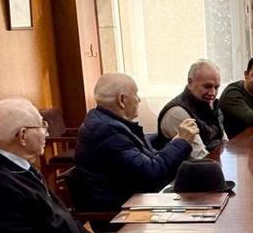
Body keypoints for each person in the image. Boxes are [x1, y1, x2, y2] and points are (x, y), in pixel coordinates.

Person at [0, 98, 103, 233]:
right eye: (42, 126)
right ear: (22, 135)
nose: (46, 134)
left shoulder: (21, 166)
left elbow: (59, 213)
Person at [72, 73, 198, 212]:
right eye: (136, 94)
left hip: (133, 199)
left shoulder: (105, 121)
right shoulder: (107, 131)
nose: (139, 99)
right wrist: (181, 142)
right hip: (121, 211)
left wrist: (171, 138)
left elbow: (142, 151)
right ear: (122, 99)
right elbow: (153, 174)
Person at [153, 59, 227, 158]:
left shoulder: (211, 105)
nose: (213, 93)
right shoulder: (176, 113)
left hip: (216, 163)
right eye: (207, 86)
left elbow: (225, 143)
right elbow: (200, 157)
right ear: (190, 82)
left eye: (216, 87)